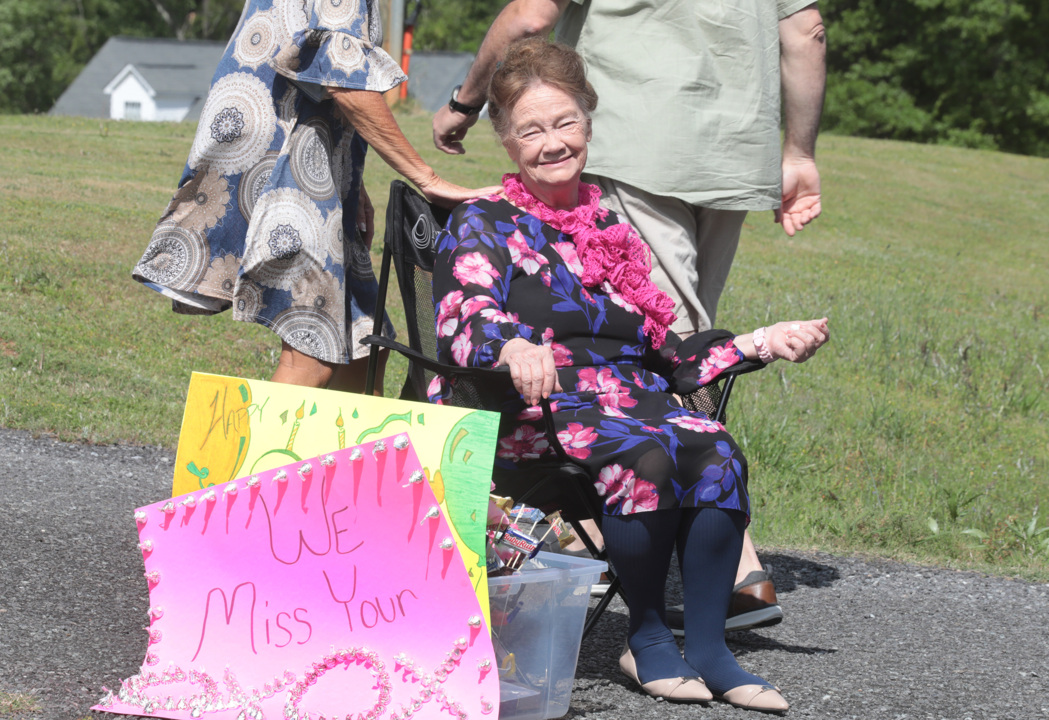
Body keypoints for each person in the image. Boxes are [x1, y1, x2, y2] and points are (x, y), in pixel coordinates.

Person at [430, 39, 829, 712]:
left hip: (628, 403)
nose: (552, 143)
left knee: (714, 450)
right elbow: (460, 317)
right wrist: (512, 345)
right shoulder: (484, 221)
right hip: (536, 412)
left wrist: (762, 341)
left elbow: (669, 355)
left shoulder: (608, 225)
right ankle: (645, 639)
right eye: (531, 129)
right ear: (505, 139)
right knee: (648, 455)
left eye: (565, 122)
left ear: (588, 121)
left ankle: (710, 649)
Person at [133, 0, 498, 392]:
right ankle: (253, 436)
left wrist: (349, 178)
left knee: (363, 345)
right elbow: (342, 76)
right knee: (312, 350)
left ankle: (349, 435)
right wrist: (428, 178)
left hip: (313, 157)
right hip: (284, 159)